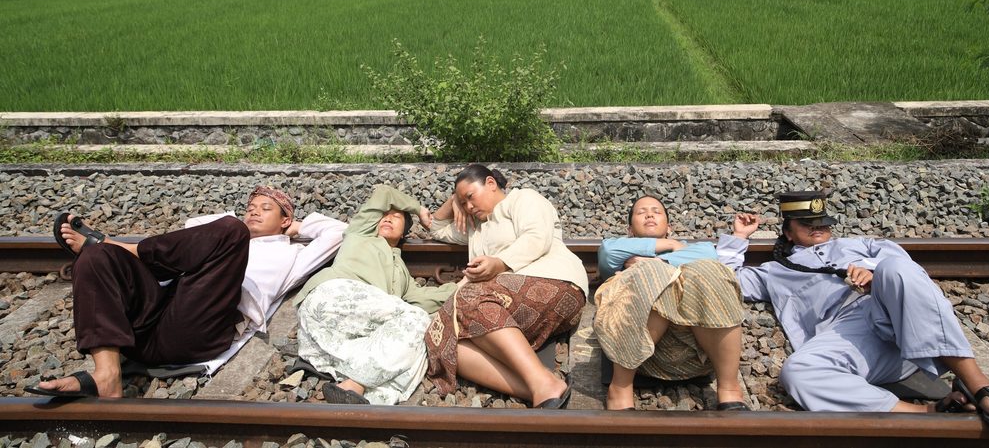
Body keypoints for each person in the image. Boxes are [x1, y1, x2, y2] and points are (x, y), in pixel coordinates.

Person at [728, 189, 989, 428]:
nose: (817, 228)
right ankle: (927, 411)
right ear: (788, 232)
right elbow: (726, 281)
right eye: (807, 224)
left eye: (822, 222)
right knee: (798, 372)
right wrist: (739, 238)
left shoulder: (859, 244)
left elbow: (905, 267)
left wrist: (874, 274)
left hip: (895, 312)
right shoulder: (774, 271)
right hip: (848, 333)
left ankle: (977, 384)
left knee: (895, 269)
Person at [28, 186, 345, 399]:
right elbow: (195, 225)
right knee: (94, 257)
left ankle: (124, 247)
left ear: (285, 219)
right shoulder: (230, 231)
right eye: (250, 207)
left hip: (199, 329)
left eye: (266, 209)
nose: (254, 212)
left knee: (228, 231)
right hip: (155, 317)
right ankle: (106, 374)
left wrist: (294, 228)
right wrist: (237, 226)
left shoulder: (291, 254)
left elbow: (338, 232)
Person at [424, 164, 588, 408]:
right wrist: (454, 200)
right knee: (439, 340)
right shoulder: (475, 228)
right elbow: (435, 228)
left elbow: (536, 237)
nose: (469, 206)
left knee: (468, 295)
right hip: (500, 307)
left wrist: (500, 263)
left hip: (555, 284)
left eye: (471, 197)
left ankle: (541, 381)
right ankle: (538, 387)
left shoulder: (522, 199)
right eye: (464, 203)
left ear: (491, 183)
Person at [293, 185, 458, 405]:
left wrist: (463, 286)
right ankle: (361, 386)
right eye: (384, 216)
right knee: (418, 320)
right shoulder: (359, 234)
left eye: (396, 217)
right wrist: (418, 209)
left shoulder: (402, 273)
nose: (388, 219)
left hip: (337, 335)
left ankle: (359, 394)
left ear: (404, 233)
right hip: (331, 298)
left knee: (420, 339)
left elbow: (424, 299)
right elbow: (383, 192)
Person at [595, 195, 751, 411]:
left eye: (657, 212)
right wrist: (669, 246)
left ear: (669, 226)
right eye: (641, 212)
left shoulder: (699, 249)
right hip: (640, 355)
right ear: (630, 230)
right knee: (651, 271)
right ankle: (620, 388)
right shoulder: (617, 246)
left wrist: (662, 260)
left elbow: (709, 256)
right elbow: (608, 253)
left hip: (696, 351)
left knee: (709, 270)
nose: (649, 214)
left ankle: (730, 389)